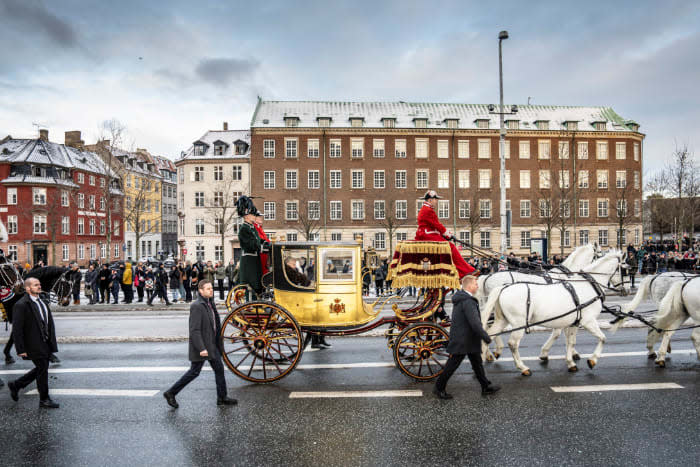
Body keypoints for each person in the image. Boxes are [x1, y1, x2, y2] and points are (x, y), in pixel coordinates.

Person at [163, 280, 237, 408]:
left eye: (211, 288)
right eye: (208, 289)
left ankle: (222, 397)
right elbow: (194, 330)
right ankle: (171, 392)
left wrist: (218, 343)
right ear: (201, 291)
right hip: (203, 346)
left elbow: (216, 324)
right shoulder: (197, 306)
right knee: (194, 372)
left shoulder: (209, 303)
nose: (211, 290)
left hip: (212, 344)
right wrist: (201, 348)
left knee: (219, 369)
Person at [433, 275, 500, 399]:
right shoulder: (468, 301)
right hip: (463, 339)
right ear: (469, 286)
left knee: (477, 364)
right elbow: (475, 322)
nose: (477, 285)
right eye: (475, 283)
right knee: (452, 365)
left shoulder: (464, 298)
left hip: (468, 338)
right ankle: (439, 387)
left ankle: (485, 386)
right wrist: (485, 336)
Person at [7, 277, 60, 408]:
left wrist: (51, 341)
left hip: (45, 342)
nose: (39, 287)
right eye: (36, 285)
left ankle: (17, 384)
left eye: (39, 284)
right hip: (33, 343)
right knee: (42, 368)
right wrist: (20, 349)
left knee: (42, 368)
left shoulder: (42, 302)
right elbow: (17, 330)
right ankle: (44, 399)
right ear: (28, 288)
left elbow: (48, 323)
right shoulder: (21, 305)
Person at [415, 190, 475, 279]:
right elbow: (437, 225)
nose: (436, 201)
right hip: (427, 235)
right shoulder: (428, 210)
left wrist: (445, 235)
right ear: (430, 200)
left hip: (427, 234)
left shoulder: (426, 209)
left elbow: (434, 225)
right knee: (451, 247)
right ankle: (465, 271)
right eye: (435, 199)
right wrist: (448, 235)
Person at [237, 196, 263, 299]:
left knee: (257, 285)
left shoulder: (252, 228)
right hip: (249, 261)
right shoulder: (244, 229)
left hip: (254, 259)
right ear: (246, 215)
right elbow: (252, 245)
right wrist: (260, 245)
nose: (254, 216)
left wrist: (264, 243)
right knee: (251, 287)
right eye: (253, 214)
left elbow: (258, 240)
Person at [253, 211, 270, 276]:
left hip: (265, 253)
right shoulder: (255, 227)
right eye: (259, 217)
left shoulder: (259, 227)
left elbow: (266, 239)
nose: (261, 218)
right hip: (261, 253)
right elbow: (261, 239)